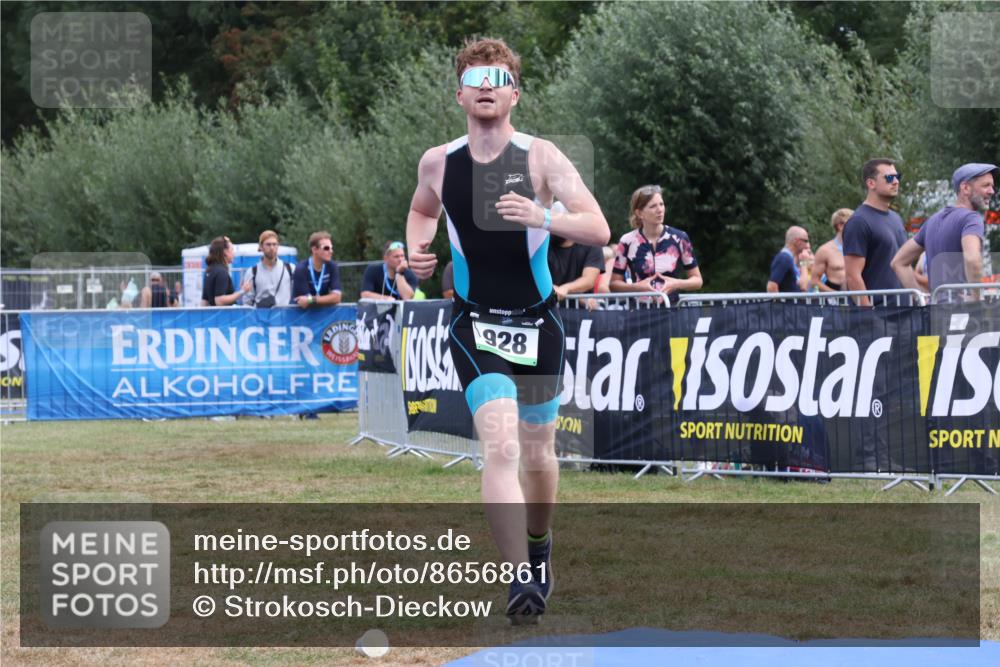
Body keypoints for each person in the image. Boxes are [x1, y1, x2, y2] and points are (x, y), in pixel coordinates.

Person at [405, 38, 610, 624]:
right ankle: (520, 576)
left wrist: (543, 215)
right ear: (460, 94)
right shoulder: (437, 162)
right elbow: (422, 209)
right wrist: (421, 251)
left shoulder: (543, 157)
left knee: (540, 456)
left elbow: (598, 227)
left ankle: (540, 547)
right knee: (498, 445)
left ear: (514, 93)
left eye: (499, 78)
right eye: (476, 77)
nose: (487, 85)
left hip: (538, 323)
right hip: (474, 322)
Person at [892, 162, 996, 300]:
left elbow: (898, 262)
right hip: (961, 312)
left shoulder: (932, 221)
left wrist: (922, 298)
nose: (992, 191)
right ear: (965, 188)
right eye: (986, 185)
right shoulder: (971, 218)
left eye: (992, 186)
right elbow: (972, 258)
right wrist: (976, 299)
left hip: (936, 313)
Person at [609, 185, 703, 304]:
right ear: (639, 213)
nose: (660, 210)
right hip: (638, 312)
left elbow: (697, 281)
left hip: (671, 310)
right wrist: (637, 287)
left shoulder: (680, 238)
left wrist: (676, 283)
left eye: (661, 204)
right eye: (653, 206)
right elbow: (613, 284)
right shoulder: (627, 241)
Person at [843, 159, 908, 306]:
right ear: (871, 183)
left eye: (898, 177)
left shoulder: (896, 218)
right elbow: (853, 276)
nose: (896, 181)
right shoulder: (858, 222)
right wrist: (870, 317)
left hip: (905, 313)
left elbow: (904, 265)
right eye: (890, 178)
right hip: (878, 317)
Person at [547, 203, 604, 300]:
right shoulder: (543, 245)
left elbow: (589, 280)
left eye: (559, 224)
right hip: (549, 309)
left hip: (579, 312)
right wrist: (548, 288)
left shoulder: (591, 244)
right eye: (552, 223)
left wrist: (566, 288)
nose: (554, 229)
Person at [242, 230, 293, 308]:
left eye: (274, 244)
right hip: (260, 317)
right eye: (268, 245)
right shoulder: (252, 272)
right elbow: (247, 302)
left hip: (284, 317)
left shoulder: (290, 269)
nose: (272, 248)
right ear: (261, 247)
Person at [292, 231, 343, 308]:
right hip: (300, 316)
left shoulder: (332, 266)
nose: (331, 251)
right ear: (314, 250)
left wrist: (312, 299)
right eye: (326, 248)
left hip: (322, 315)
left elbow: (337, 297)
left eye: (331, 248)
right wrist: (326, 299)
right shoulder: (301, 268)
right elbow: (304, 303)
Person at [811, 208, 851, 292]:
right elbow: (814, 282)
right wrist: (836, 295)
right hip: (834, 300)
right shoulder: (825, 251)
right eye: (853, 224)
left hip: (857, 298)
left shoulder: (861, 248)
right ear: (840, 226)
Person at [201, 236, 245, 306]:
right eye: (232, 250)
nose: (234, 254)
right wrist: (242, 291)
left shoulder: (209, 270)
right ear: (225, 252)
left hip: (213, 315)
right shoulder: (221, 272)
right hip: (224, 316)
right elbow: (219, 300)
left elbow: (204, 301)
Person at [767, 226, 812, 293]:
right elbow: (771, 286)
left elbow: (804, 287)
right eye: (806, 241)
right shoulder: (784, 258)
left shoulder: (789, 258)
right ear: (797, 242)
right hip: (787, 303)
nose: (807, 245)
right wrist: (780, 303)